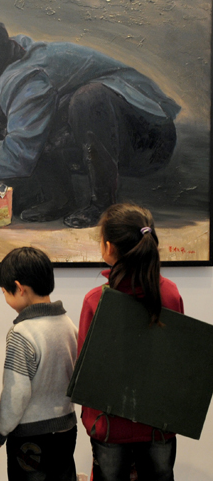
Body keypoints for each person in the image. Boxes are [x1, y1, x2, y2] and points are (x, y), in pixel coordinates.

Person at [0, 21, 180, 228]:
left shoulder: (28, 79)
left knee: (88, 99)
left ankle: (103, 205)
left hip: (146, 138)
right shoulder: (0, 59)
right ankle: (59, 199)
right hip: (100, 127)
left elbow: (19, 154)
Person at [78, 203, 183, 480]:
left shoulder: (96, 300)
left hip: (110, 426)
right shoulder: (169, 294)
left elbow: (85, 370)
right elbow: (177, 360)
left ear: (109, 247)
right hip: (158, 423)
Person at [0, 246, 78, 480]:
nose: (5, 298)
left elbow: (16, 393)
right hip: (66, 429)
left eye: (5, 292)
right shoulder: (68, 325)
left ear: (19, 288)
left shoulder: (22, 332)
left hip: (31, 438)